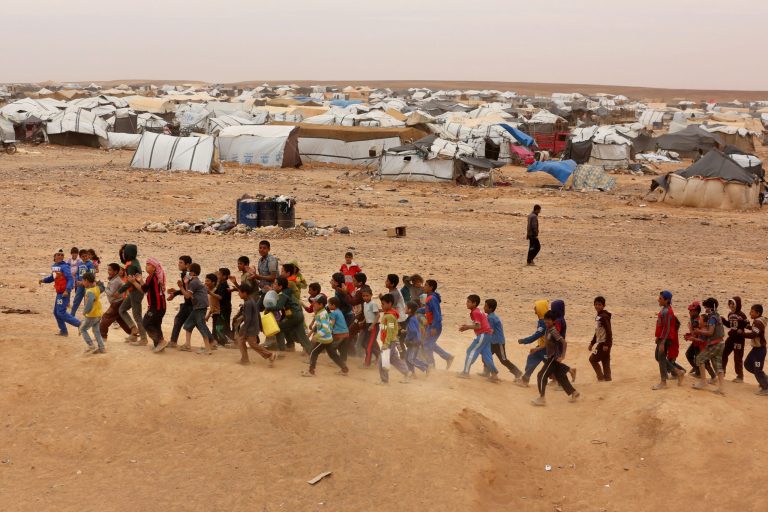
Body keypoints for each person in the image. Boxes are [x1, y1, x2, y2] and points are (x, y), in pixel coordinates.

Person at [531, 311, 580, 406]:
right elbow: (546, 344)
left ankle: (542, 398)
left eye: (548, 321)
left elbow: (564, 343)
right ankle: (573, 392)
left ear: (553, 321)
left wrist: (563, 356)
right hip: (551, 357)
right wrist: (537, 349)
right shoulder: (547, 330)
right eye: (545, 321)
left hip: (553, 358)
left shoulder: (553, 331)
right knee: (560, 376)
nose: (546, 322)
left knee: (541, 375)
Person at [303, 295, 348, 377]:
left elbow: (325, 328)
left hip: (323, 339)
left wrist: (316, 336)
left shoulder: (322, 314)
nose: (313, 304)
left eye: (315, 303)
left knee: (313, 352)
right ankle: (344, 369)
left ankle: (311, 371)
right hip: (328, 338)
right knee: (333, 355)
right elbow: (329, 325)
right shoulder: (321, 312)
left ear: (320, 305)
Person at [130, 257, 168, 352]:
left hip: (156, 307)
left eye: (148, 265)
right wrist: (139, 281)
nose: (146, 266)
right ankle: (159, 345)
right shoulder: (155, 277)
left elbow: (143, 289)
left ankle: (160, 341)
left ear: (154, 267)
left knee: (146, 323)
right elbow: (146, 289)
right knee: (156, 324)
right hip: (161, 306)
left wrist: (135, 281)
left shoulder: (151, 277)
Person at [264, 277, 311, 353]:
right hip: (299, 315)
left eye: (275, 284)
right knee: (302, 336)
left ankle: (282, 351)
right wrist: (282, 318)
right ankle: (311, 352)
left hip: (294, 316)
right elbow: (284, 309)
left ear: (280, 287)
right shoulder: (287, 292)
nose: (273, 285)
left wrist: (268, 309)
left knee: (279, 328)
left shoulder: (283, 294)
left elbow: (279, 307)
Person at [458, 295, 499, 381]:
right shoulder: (477, 311)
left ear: (474, 303)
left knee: (470, 351)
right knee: (486, 355)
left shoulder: (475, 312)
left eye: (468, 302)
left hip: (483, 335)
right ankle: (494, 374)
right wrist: (468, 327)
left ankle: (465, 372)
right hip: (487, 335)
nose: (466, 303)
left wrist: (467, 327)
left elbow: (478, 326)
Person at [39, 250, 81, 336]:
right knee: (56, 312)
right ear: (54, 256)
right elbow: (53, 277)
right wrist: (43, 280)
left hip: (63, 293)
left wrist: (67, 290)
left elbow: (70, 279)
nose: (60, 256)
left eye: (62, 255)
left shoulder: (64, 267)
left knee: (61, 312)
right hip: (59, 293)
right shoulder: (55, 266)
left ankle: (80, 324)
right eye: (58, 255)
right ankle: (63, 331)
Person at [237, 283, 277, 366]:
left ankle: (269, 355)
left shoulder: (248, 303)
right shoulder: (252, 300)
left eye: (240, 292)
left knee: (251, 344)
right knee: (243, 341)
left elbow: (248, 319)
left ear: (245, 293)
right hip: (254, 326)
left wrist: (244, 330)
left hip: (250, 328)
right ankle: (245, 359)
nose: (238, 294)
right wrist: (260, 326)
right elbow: (257, 314)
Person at [691, 298, 726, 395]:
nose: (705, 309)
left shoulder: (712, 318)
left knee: (699, 359)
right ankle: (721, 388)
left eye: (706, 307)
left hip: (715, 344)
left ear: (711, 308)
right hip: (720, 343)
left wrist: (699, 331)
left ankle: (703, 382)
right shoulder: (717, 316)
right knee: (718, 365)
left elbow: (710, 332)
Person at [179, 263, 214, 355]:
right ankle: (187, 345)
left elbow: (187, 296)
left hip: (200, 307)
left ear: (193, 273)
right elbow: (189, 293)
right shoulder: (195, 282)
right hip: (198, 307)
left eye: (188, 271)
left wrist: (181, 287)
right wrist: (186, 284)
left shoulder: (194, 282)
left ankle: (208, 349)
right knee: (188, 324)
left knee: (201, 326)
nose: (187, 273)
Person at [653, 291, 685, 390]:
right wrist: (658, 337)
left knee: (661, 358)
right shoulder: (665, 310)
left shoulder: (667, 312)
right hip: (662, 338)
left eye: (660, 298)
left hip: (665, 339)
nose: (658, 300)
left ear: (667, 300)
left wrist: (662, 342)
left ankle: (663, 382)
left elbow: (667, 328)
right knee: (658, 357)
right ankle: (678, 372)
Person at [483, 299, 522, 380]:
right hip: (493, 341)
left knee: (503, 360)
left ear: (490, 308)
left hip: (498, 342)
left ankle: (517, 373)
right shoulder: (492, 316)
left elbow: (490, 331)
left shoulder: (491, 318)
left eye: (486, 306)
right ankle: (486, 372)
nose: (484, 307)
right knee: (486, 356)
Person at [118, 244, 148, 345]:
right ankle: (134, 330)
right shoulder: (134, 261)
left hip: (136, 292)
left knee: (137, 316)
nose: (123, 254)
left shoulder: (131, 266)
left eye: (124, 252)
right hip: (133, 292)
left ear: (128, 253)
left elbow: (130, 282)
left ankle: (143, 339)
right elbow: (123, 261)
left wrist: (119, 291)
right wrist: (121, 250)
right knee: (122, 310)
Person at [422, 279, 454, 370]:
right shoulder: (430, 297)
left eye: (426, 285)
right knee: (428, 344)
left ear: (431, 287)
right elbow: (428, 310)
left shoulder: (432, 298)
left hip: (434, 326)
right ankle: (446, 358)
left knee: (428, 344)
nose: (424, 286)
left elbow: (437, 314)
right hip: (431, 325)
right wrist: (417, 310)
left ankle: (433, 365)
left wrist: (434, 327)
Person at [517, 300, 550, 387]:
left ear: (540, 309)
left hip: (545, 348)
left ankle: (525, 380)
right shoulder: (543, 320)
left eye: (536, 308)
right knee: (535, 359)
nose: (534, 309)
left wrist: (524, 340)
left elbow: (537, 335)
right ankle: (525, 379)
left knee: (549, 365)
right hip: (542, 347)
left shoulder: (543, 323)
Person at [378, 294, 409, 384]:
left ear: (390, 304)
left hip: (389, 342)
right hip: (391, 341)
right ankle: (406, 372)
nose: (382, 306)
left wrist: (386, 343)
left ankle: (384, 380)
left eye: (383, 304)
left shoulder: (390, 316)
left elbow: (390, 330)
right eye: (381, 304)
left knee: (382, 362)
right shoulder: (388, 314)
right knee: (394, 360)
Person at [99, 263, 133, 341]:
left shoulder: (116, 281)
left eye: (110, 270)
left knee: (105, 318)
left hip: (116, 303)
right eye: (108, 270)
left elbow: (111, 293)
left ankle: (103, 337)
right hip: (118, 302)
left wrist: (104, 287)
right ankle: (133, 334)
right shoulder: (115, 279)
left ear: (115, 271)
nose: (108, 271)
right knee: (121, 320)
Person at [166, 255, 193, 349]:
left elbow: (188, 290)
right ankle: (173, 341)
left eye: (181, 262)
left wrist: (176, 293)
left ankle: (211, 341)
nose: (179, 264)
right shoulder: (186, 274)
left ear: (187, 264)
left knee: (199, 324)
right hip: (188, 303)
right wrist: (175, 292)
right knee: (179, 319)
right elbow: (185, 290)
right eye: (179, 262)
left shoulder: (188, 275)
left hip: (191, 303)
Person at [683, 301, 715, 379]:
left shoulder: (696, 321)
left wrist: (690, 331)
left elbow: (695, 333)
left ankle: (712, 376)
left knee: (702, 360)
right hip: (696, 342)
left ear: (696, 312)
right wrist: (689, 335)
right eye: (690, 311)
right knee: (691, 356)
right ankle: (697, 370)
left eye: (691, 311)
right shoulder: (695, 319)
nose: (690, 312)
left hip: (699, 344)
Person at [742, 304, 768, 395]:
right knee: (747, 364)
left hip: (760, 350)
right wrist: (748, 326)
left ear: (758, 313)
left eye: (752, 311)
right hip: (755, 350)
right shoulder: (757, 321)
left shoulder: (758, 322)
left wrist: (742, 334)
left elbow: (753, 334)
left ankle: (766, 388)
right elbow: (756, 330)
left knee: (757, 370)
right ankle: (764, 379)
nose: (750, 313)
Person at [722, 297, 748, 383]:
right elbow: (729, 325)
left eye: (733, 304)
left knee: (737, 357)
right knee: (724, 353)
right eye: (730, 303)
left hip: (739, 339)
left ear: (738, 304)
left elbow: (747, 324)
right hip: (731, 338)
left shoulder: (742, 314)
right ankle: (722, 372)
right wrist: (723, 320)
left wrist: (742, 325)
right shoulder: (730, 314)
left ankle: (740, 376)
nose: (731, 305)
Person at [588, 296, 613, 382]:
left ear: (603, 305)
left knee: (592, 359)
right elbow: (597, 331)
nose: (597, 306)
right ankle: (608, 379)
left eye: (599, 305)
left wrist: (606, 344)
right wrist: (592, 343)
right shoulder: (599, 316)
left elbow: (609, 331)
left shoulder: (603, 317)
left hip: (604, 343)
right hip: (604, 342)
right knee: (605, 360)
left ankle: (600, 377)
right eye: (596, 304)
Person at [79, 272, 105, 354]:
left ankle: (91, 345)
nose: (82, 283)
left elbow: (90, 302)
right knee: (96, 331)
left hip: (92, 315)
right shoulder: (97, 288)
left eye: (83, 281)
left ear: (87, 281)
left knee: (82, 329)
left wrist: (85, 311)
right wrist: (96, 282)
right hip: (98, 313)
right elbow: (102, 287)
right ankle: (102, 348)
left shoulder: (89, 291)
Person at [404, 301, 429, 377]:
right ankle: (412, 373)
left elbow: (414, 331)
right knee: (407, 358)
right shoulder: (412, 318)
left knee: (411, 359)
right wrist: (406, 331)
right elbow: (413, 329)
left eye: (405, 307)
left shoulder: (411, 319)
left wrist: (408, 339)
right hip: (414, 341)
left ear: (409, 310)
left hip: (414, 342)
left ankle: (426, 367)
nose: (404, 308)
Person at [360, 285, 381, 367]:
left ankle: (367, 363)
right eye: (363, 296)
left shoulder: (373, 304)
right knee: (364, 343)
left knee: (369, 345)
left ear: (371, 295)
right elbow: (368, 315)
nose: (365, 297)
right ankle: (378, 355)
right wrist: (363, 321)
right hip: (368, 325)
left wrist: (372, 325)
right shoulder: (365, 304)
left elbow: (377, 315)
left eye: (367, 296)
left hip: (373, 326)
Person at [205, 273, 226, 347]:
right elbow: (212, 306)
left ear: (213, 282)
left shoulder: (215, 290)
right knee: (215, 331)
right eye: (205, 280)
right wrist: (208, 315)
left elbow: (219, 297)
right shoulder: (209, 291)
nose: (206, 282)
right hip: (214, 313)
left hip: (219, 314)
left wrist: (210, 293)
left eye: (208, 281)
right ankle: (215, 344)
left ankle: (219, 344)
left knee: (217, 330)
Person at [328, 297, 352, 363]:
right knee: (343, 348)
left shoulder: (334, 313)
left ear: (333, 305)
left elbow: (332, 323)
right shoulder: (339, 311)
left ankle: (336, 360)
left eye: (329, 304)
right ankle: (343, 361)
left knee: (332, 347)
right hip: (346, 333)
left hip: (339, 334)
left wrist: (329, 331)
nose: (328, 305)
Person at [70, 249, 94, 316]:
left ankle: (86, 316)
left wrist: (85, 282)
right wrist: (77, 280)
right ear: (80, 257)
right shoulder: (80, 264)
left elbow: (92, 275)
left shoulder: (90, 264)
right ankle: (72, 314)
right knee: (76, 300)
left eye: (86, 256)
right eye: (83, 256)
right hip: (80, 285)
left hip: (87, 286)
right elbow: (77, 273)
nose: (85, 257)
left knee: (86, 301)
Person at [216, 268, 234, 342]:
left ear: (224, 276)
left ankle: (228, 340)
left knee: (223, 325)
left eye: (219, 274)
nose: (218, 275)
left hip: (225, 309)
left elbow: (220, 297)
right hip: (222, 308)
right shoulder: (221, 284)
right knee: (223, 325)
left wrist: (210, 293)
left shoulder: (224, 285)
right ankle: (225, 340)